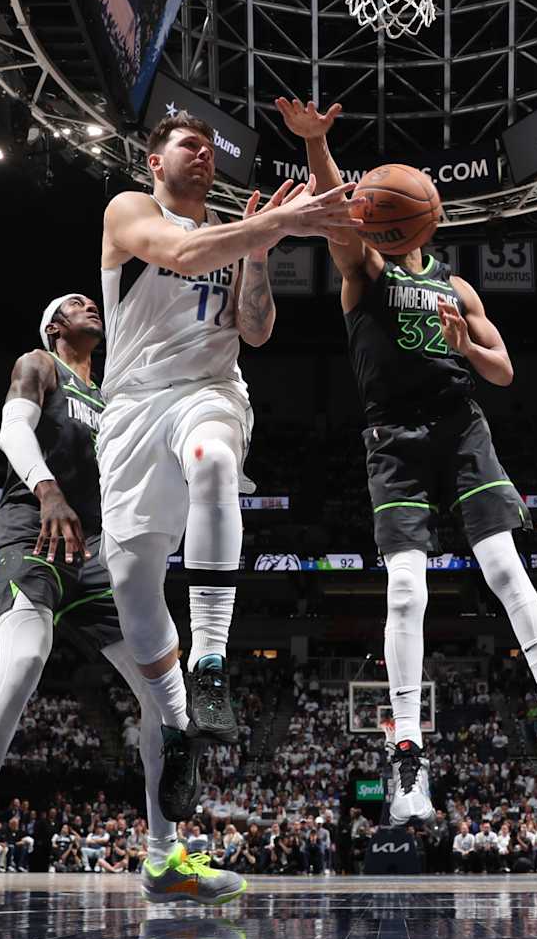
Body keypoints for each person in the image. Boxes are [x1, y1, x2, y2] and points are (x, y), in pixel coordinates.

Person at [276, 96, 537, 823]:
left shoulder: (456, 287)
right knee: (405, 591)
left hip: (460, 427)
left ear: (426, 217)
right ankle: (407, 757)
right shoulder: (364, 270)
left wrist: (465, 346)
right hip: (392, 438)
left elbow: (503, 371)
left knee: (504, 566)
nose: (375, 216)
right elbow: (338, 215)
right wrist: (318, 145)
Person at [0, 294, 245, 920]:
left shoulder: (118, 392)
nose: (91, 304)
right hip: (33, 529)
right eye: (75, 303)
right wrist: (47, 490)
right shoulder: (40, 364)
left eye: (93, 300)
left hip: (97, 548)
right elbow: (12, 430)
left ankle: (163, 859)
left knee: (165, 692)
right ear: (53, 326)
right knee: (24, 659)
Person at [98, 113, 355, 761]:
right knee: (132, 587)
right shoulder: (130, 209)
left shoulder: (234, 232)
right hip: (133, 406)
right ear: (155, 162)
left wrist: (260, 255)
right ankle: (176, 724)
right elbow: (183, 254)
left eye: (211, 148)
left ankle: (210, 660)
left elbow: (256, 329)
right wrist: (272, 225)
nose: (205, 154)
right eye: (190, 144)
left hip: (210, 392)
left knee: (212, 458)